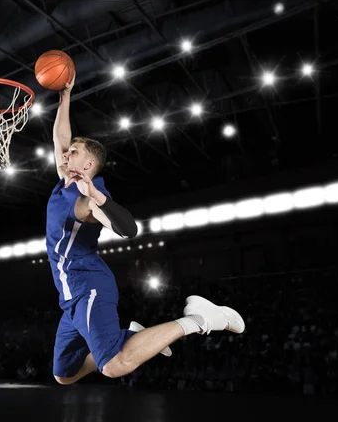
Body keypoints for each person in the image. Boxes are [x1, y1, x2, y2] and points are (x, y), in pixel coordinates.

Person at [47, 79, 246, 385]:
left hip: (87, 285)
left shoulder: (87, 200)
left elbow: (127, 228)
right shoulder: (65, 179)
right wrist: (65, 98)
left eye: (72, 152)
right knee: (65, 373)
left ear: (87, 164)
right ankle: (134, 336)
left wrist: (99, 200)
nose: (64, 154)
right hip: (70, 293)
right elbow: (61, 137)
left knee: (114, 364)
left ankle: (200, 318)